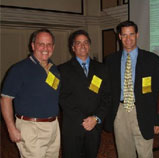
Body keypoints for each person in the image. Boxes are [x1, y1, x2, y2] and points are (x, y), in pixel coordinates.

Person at [104, 20, 159, 158]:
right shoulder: (111, 60)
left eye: (131, 34)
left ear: (137, 35)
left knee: (145, 154)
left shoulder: (152, 59)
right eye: (124, 35)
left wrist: (157, 120)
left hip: (144, 112)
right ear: (119, 36)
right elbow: (107, 90)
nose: (128, 38)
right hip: (120, 112)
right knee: (124, 153)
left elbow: (157, 92)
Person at [1, 28, 61, 158]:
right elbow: (5, 99)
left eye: (49, 44)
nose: (45, 48)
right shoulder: (19, 69)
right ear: (33, 45)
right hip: (31, 128)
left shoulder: (54, 69)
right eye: (41, 44)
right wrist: (11, 128)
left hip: (53, 127)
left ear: (53, 47)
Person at [59, 30, 110, 158]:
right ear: (73, 47)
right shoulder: (62, 70)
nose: (82, 46)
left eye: (85, 42)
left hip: (94, 127)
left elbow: (107, 97)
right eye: (78, 43)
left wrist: (96, 118)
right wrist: (83, 120)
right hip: (72, 127)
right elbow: (63, 98)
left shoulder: (102, 69)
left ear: (89, 45)